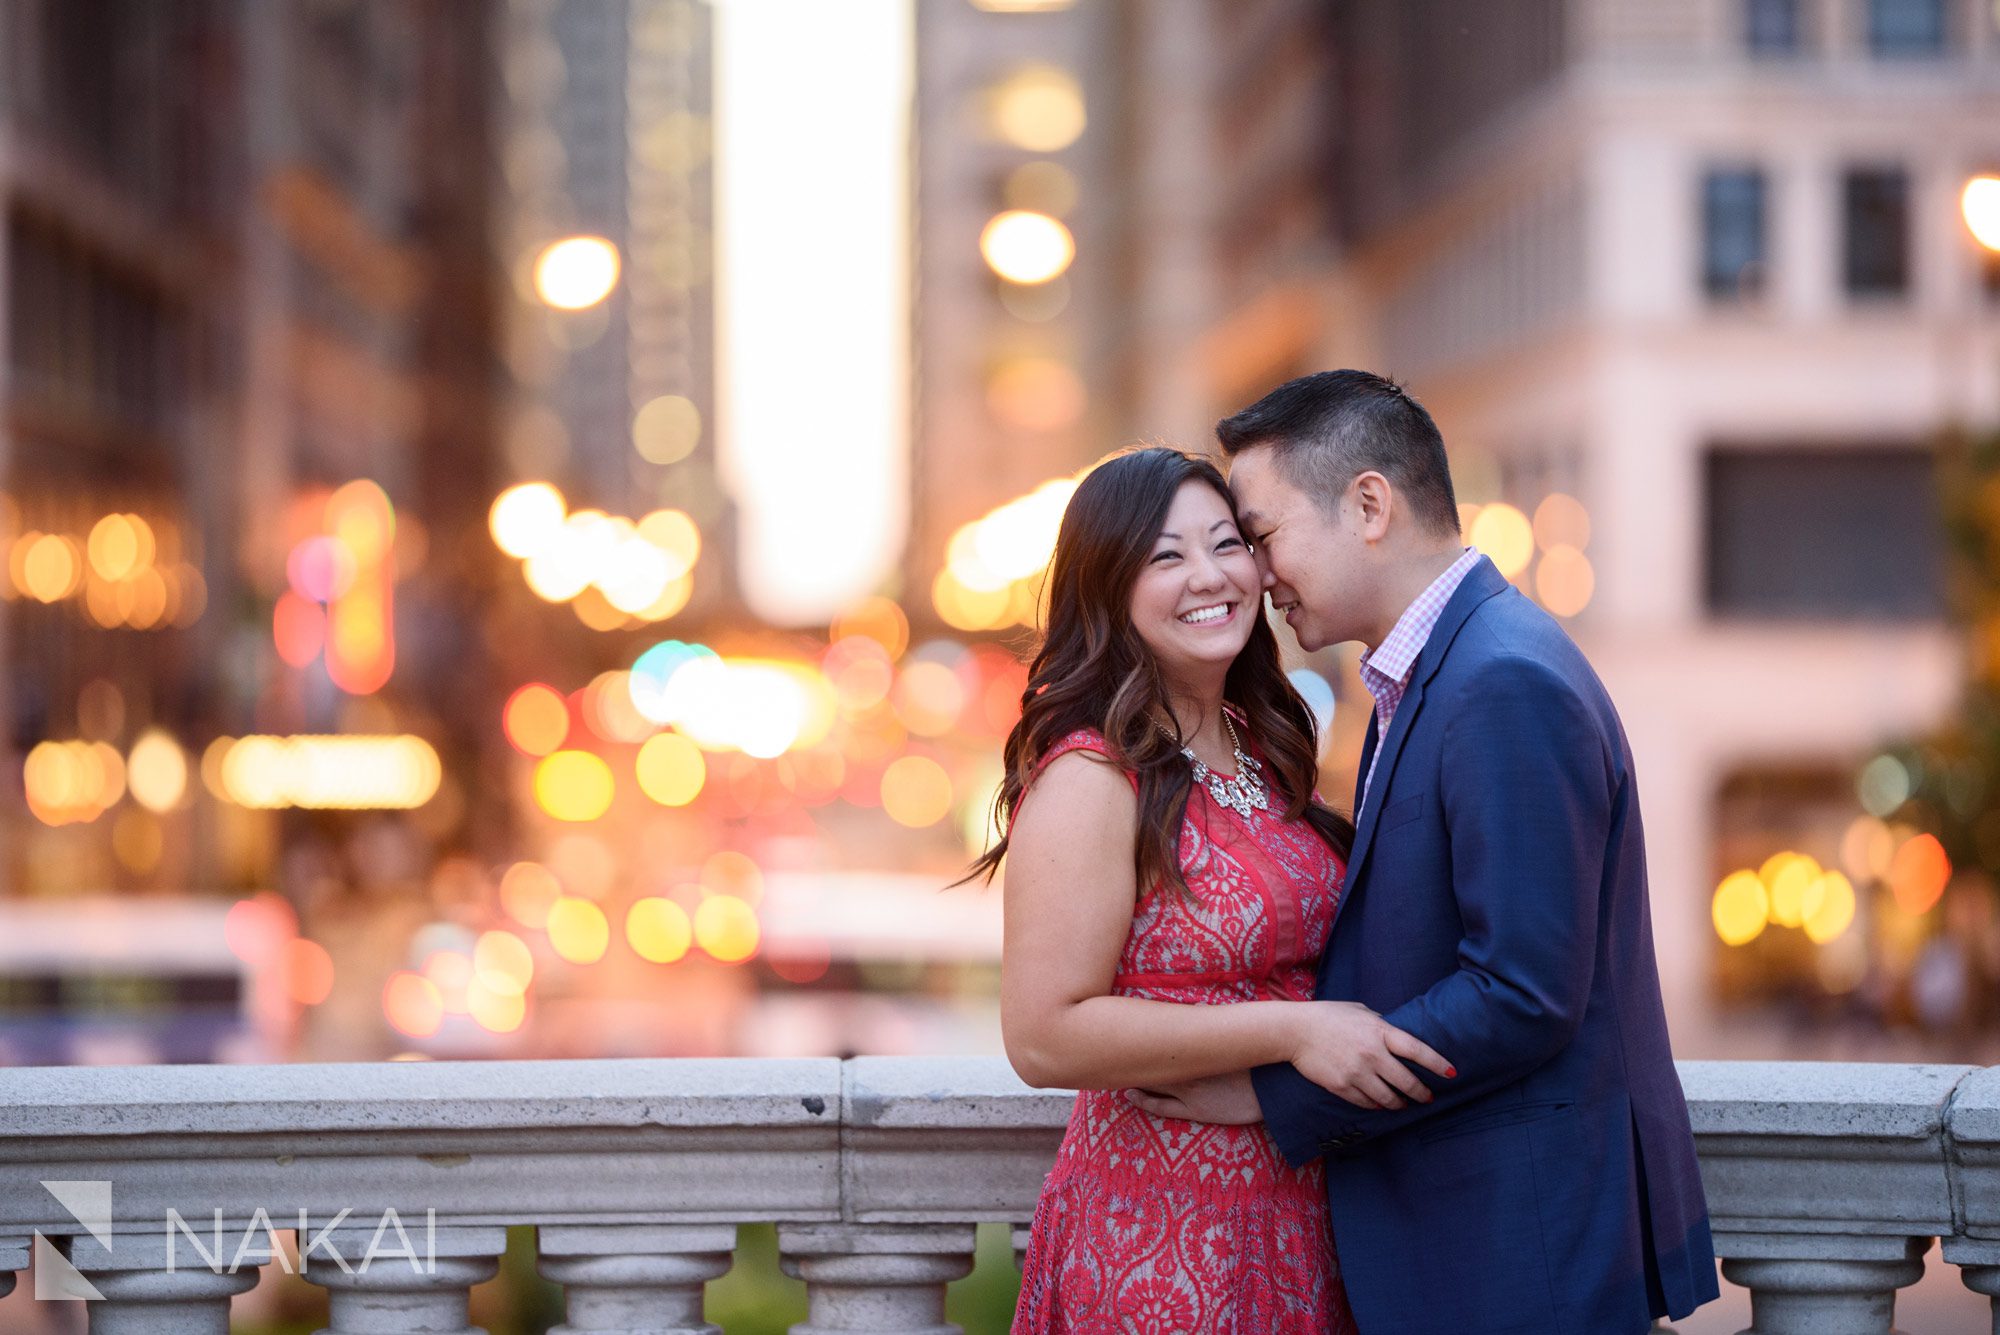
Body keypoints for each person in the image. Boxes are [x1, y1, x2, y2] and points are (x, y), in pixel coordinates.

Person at [1128, 370, 1719, 1334]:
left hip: (1516, 1255)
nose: (1257, 575)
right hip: (1485, 1242)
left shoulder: (1501, 679)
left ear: (1369, 505)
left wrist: (1278, 1092)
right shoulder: (1441, 667)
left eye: (1262, 535)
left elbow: (1523, 990)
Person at [976, 446, 1454, 1332]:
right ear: (1109, 586)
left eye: (1227, 542)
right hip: (1157, 1240)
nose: (1209, 575)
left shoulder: (1264, 740)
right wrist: (1295, 1030)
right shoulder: (1093, 775)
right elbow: (1044, 1034)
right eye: (1166, 556)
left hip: (1306, 1223)